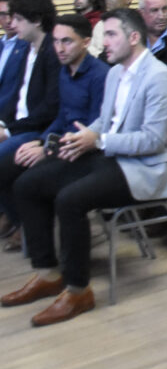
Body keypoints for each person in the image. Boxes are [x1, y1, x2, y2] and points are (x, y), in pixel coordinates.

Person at [0, 9, 167, 326]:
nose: (104, 42)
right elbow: (104, 121)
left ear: (133, 37)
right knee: (28, 184)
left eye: (110, 34)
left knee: (70, 199)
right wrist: (82, 137)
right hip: (112, 155)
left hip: (145, 168)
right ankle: (48, 273)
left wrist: (98, 140)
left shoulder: (160, 77)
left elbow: (153, 141)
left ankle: (78, 290)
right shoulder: (115, 72)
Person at [0, 14, 107, 253]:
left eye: (67, 41)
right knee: (9, 165)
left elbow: (92, 130)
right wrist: (41, 142)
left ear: (86, 42)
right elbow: (61, 117)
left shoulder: (100, 76)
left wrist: (47, 149)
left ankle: (42, 252)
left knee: (28, 182)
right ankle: (29, 234)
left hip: (84, 151)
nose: (59, 48)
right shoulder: (64, 71)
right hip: (61, 144)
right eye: (56, 41)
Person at [0, 0, 60, 161]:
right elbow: (16, 95)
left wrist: (8, 131)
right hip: (17, 125)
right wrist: (3, 124)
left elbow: (50, 107)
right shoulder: (27, 49)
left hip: (35, 129)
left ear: (37, 20)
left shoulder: (53, 53)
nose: (12, 24)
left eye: (18, 19)